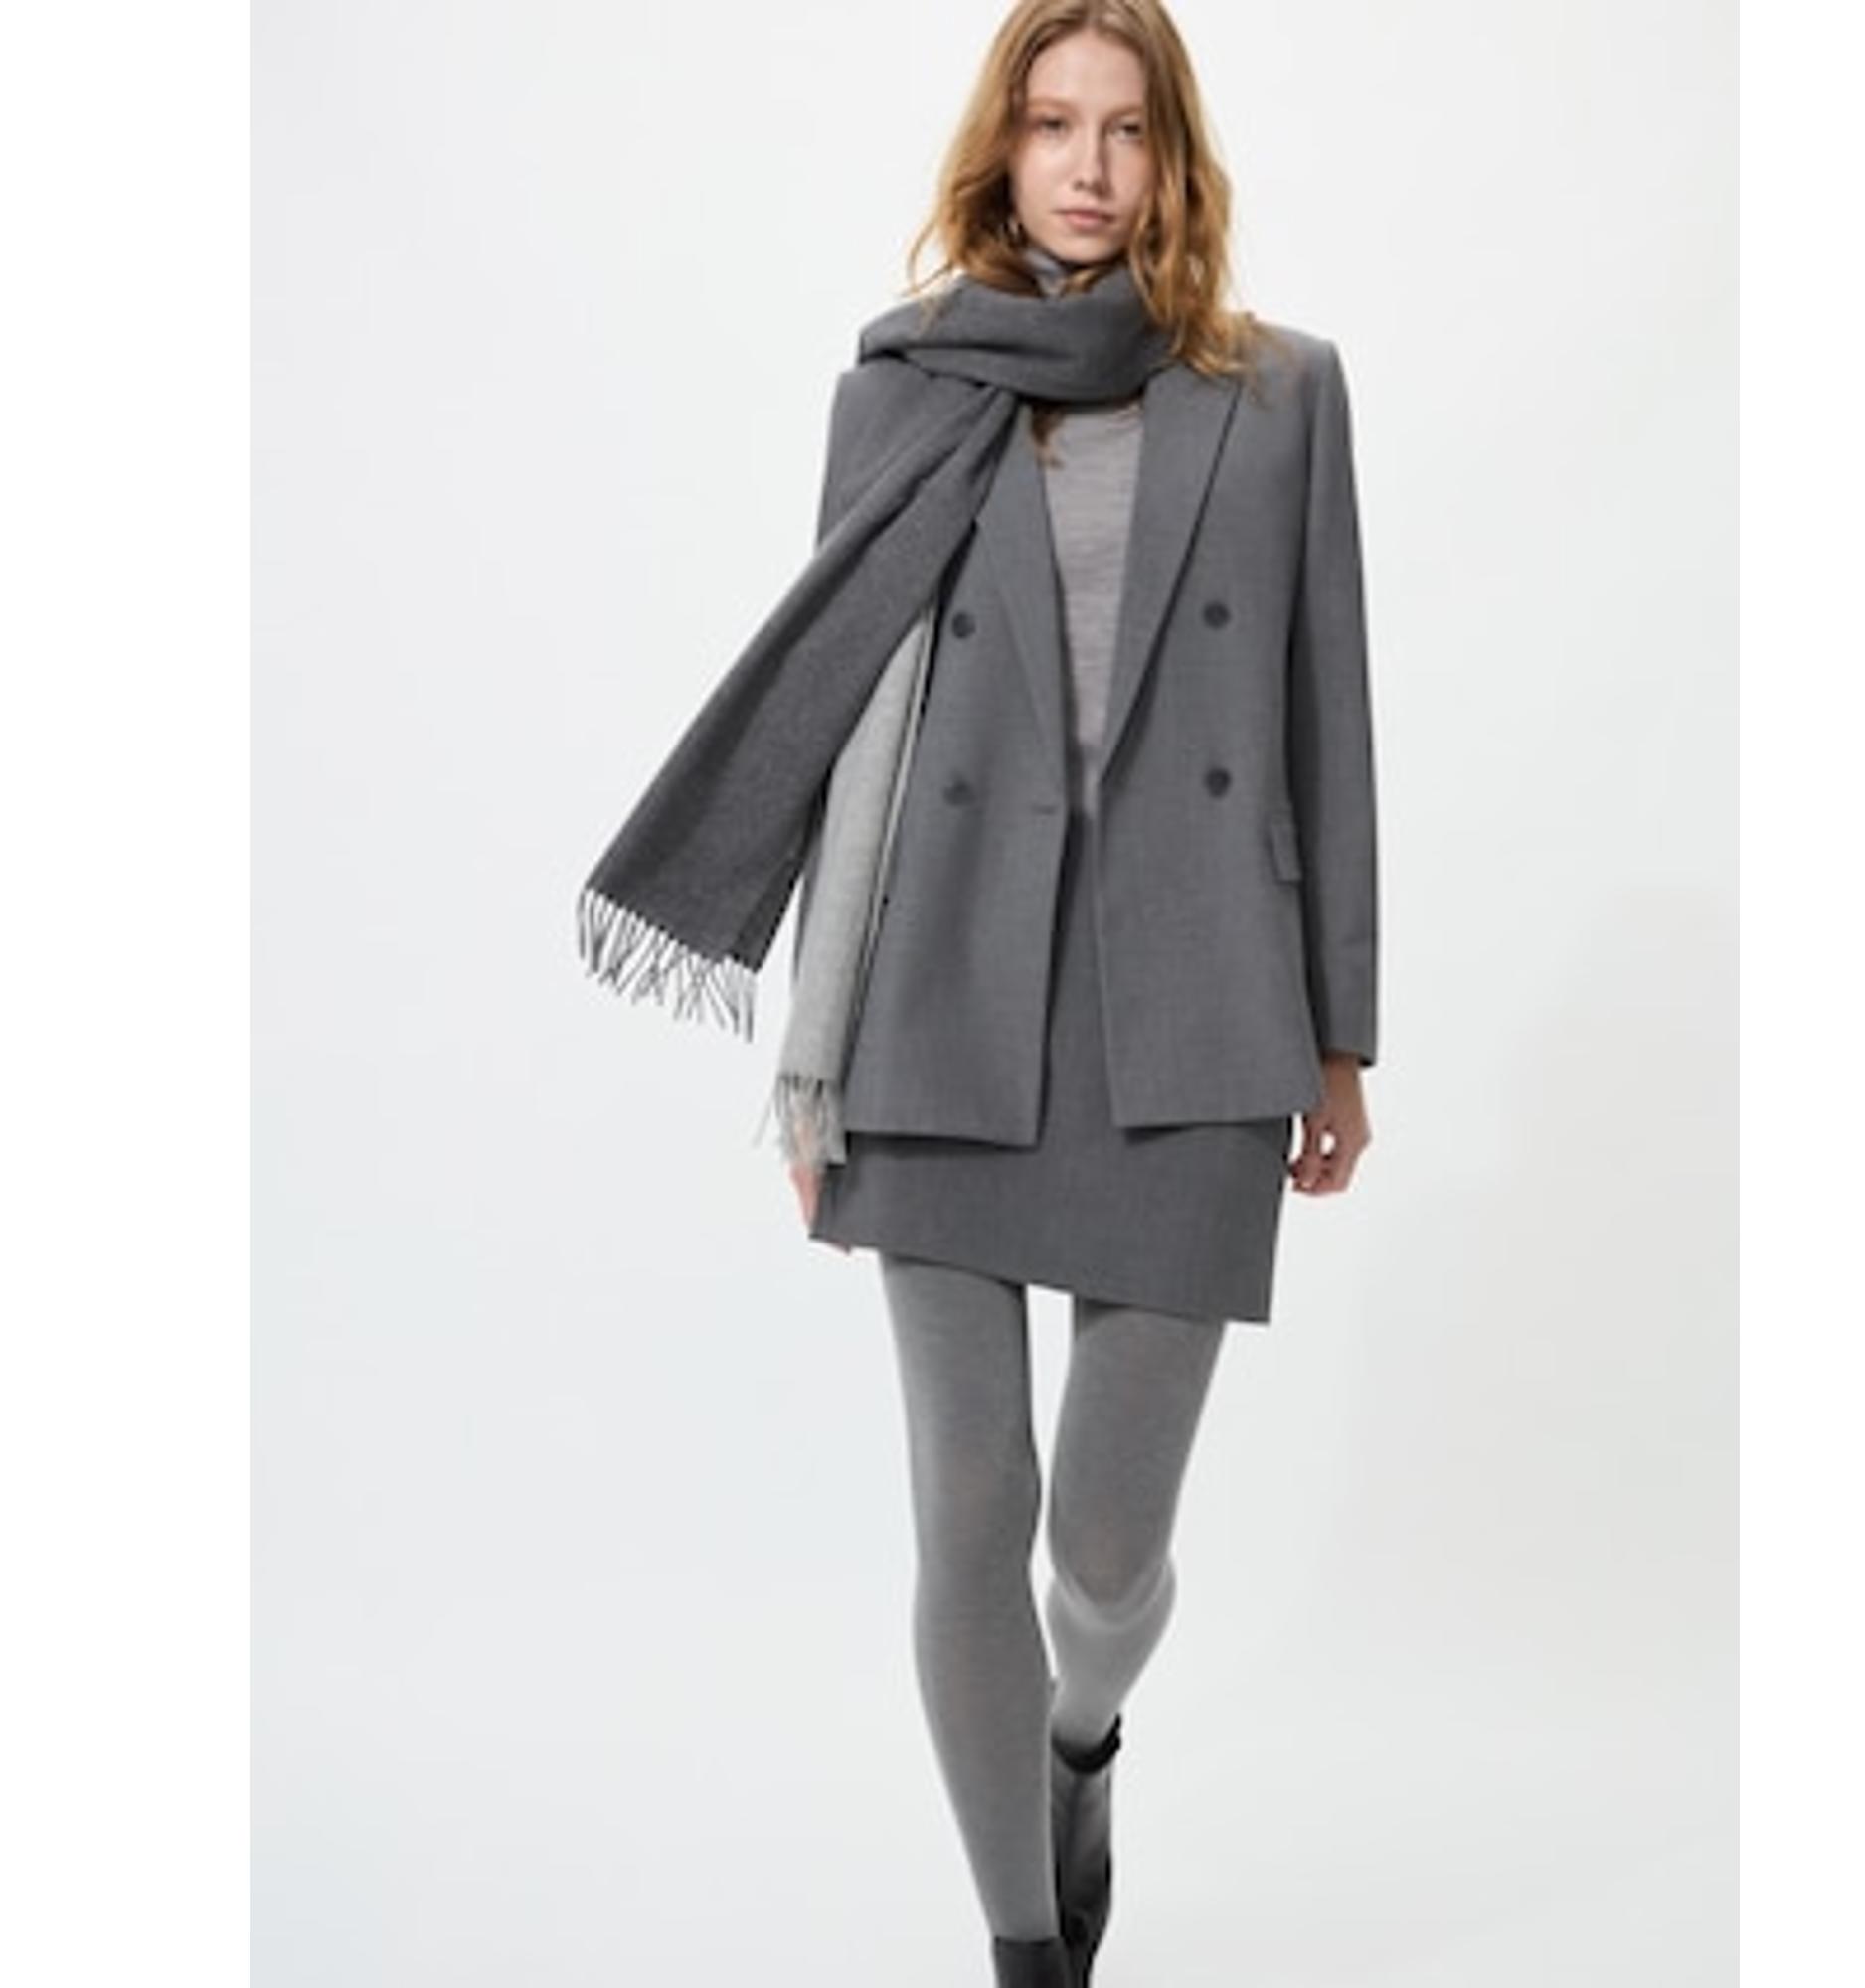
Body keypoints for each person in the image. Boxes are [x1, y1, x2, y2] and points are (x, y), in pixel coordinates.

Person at [578, 4, 1377, 1982]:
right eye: (1050, 125)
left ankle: (1079, 1740)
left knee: (1101, 1552)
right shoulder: (904, 391)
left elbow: (1327, 720)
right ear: (999, 151)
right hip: (938, 997)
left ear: (1175, 155)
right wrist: (813, 1060)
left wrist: (1341, 1035)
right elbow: (851, 733)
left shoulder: (1280, 392)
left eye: (1126, 128)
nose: (1088, 166)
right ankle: (1027, 1946)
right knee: (966, 1506)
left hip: (1198, 1005)